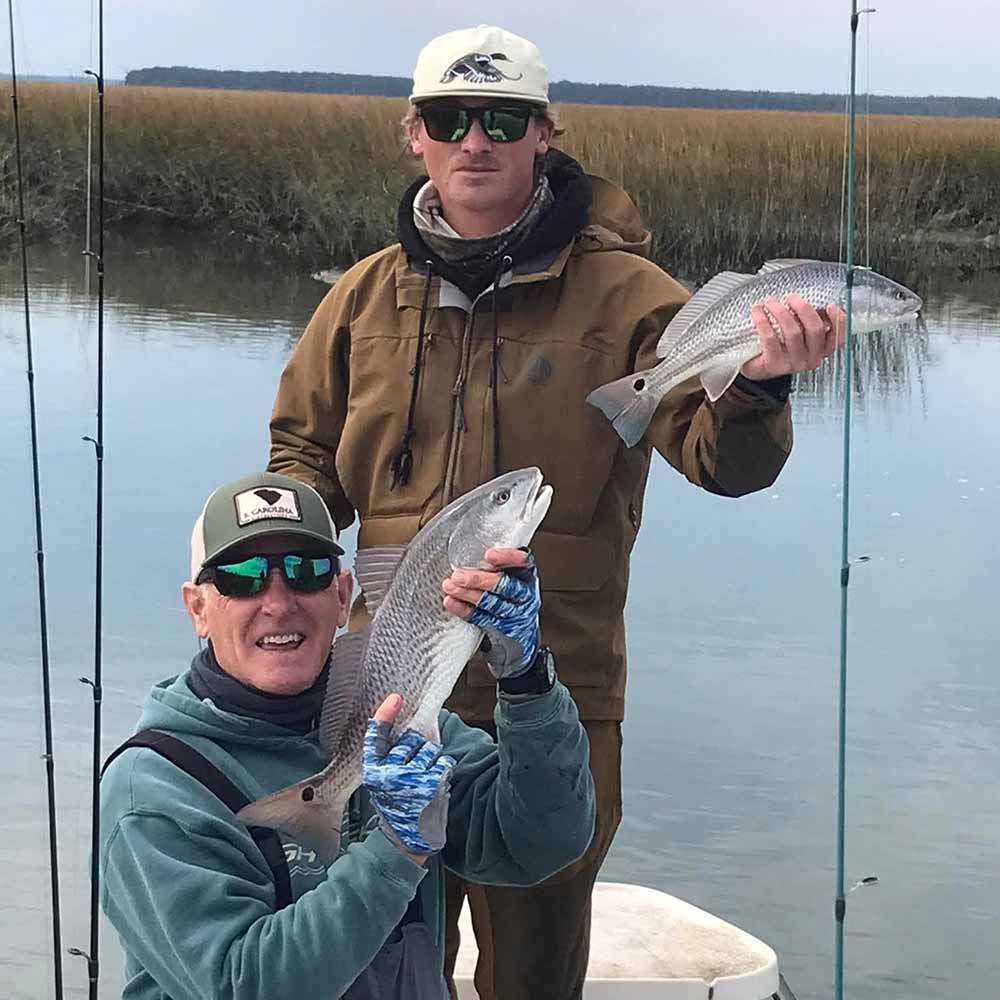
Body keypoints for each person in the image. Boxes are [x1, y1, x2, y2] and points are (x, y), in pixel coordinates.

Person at [268, 24, 847, 1000]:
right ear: (415, 133)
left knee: (534, 978)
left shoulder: (633, 299)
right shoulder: (362, 298)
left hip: (553, 701)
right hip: (386, 692)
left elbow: (721, 461)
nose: (474, 141)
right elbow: (300, 466)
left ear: (544, 131)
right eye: (451, 118)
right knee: (368, 960)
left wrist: (759, 388)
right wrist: (264, 588)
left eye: (501, 118)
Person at [100, 471, 595, 1000]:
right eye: (242, 577)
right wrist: (396, 850)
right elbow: (246, 986)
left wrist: (527, 681)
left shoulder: (400, 725)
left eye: (306, 572)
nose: (278, 602)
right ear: (197, 606)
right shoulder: (154, 791)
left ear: (342, 596)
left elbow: (542, 843)